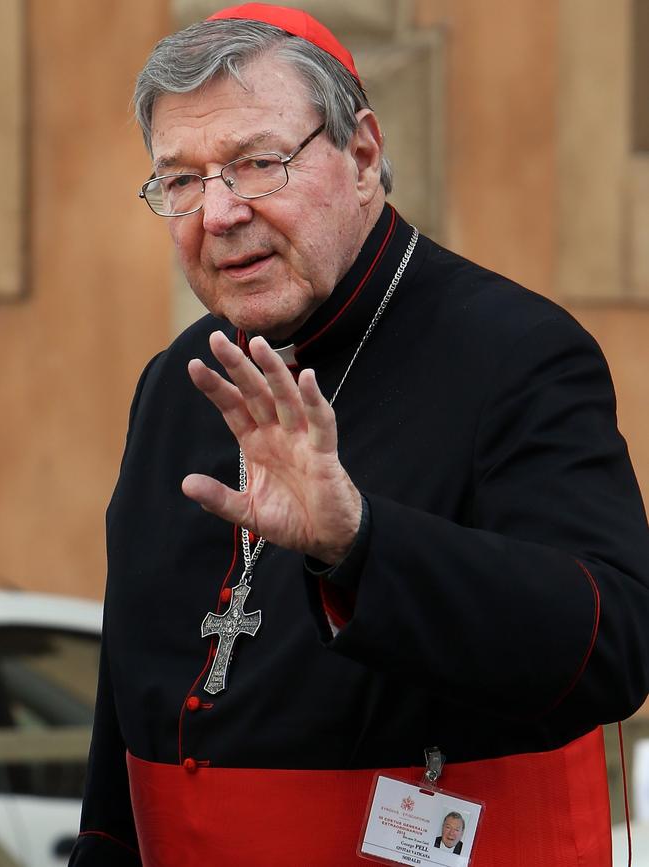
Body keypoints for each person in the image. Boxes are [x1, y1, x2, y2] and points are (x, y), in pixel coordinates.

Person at [69, 4, 649, 866]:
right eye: (181, 180)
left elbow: (615, 642)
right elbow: (129, 721)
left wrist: (360, 544)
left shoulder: (518, 353)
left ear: (365, 154)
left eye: (256, 163)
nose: (218, 213)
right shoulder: (175, 381)